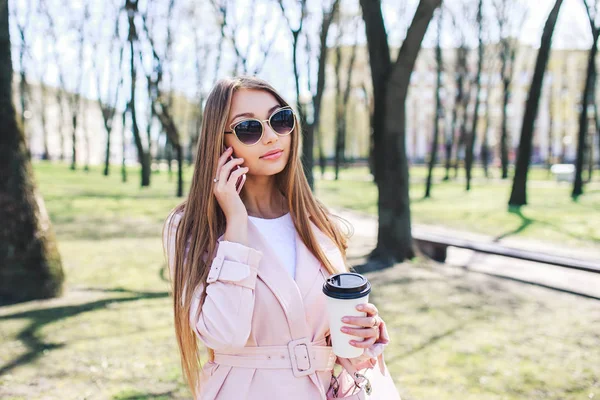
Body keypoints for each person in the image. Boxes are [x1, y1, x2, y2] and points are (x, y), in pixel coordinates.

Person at [163, 76, 393, 399]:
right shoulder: (191, 227)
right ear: (220, 141)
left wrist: (363, 337)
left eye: (280, 120)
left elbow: (332, 342)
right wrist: (236, 223)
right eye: (249, 129)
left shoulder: (317, 222)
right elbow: (225, 334)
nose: (271, 137)